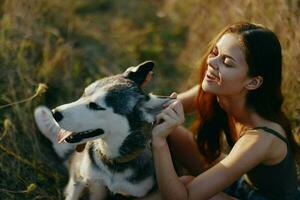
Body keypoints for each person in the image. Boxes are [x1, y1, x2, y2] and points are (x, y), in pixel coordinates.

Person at [147, 22, 300, 200]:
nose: (211, 62)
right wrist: (133, 93)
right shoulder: (217, 91)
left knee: (186, 186)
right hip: (243, 185)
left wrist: (159, 142)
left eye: (227, 62)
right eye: (215, 53)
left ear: (253, 82)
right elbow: (159, 109)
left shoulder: (262, 138)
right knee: (171, 131)